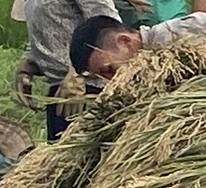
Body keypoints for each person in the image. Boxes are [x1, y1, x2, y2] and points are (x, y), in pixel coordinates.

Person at [46, 9, 146, 140]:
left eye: (109, 70)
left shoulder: (175, 39)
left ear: (124, 42)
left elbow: (99, 7)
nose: (112, 81)